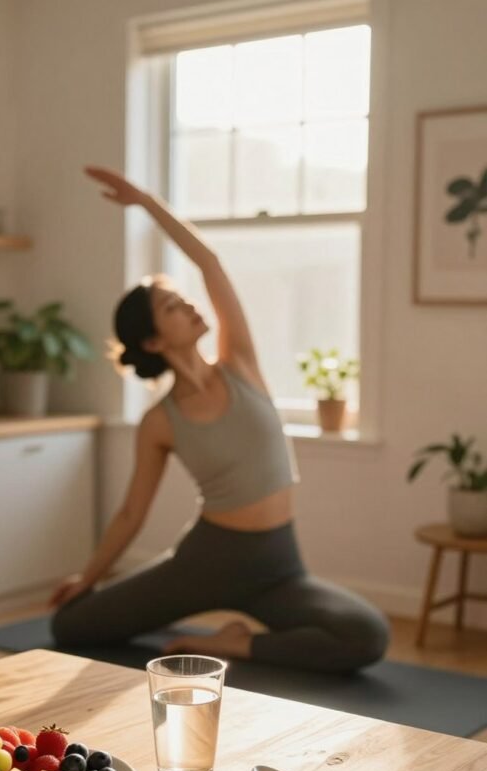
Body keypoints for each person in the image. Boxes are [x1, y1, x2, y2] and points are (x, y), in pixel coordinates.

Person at [50, 167, 389, 673]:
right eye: (172, 307)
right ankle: (198, 627)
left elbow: (209, 263)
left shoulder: (241, 365)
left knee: (368, 636)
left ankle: (228, 644)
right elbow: (130, 514)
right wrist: (88, 575)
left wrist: (146, 202)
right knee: (72, 625)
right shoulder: (159, 422)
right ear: (152, 341)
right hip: (205, 563)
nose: (188, 304)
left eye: (182, 299)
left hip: (279, 565)